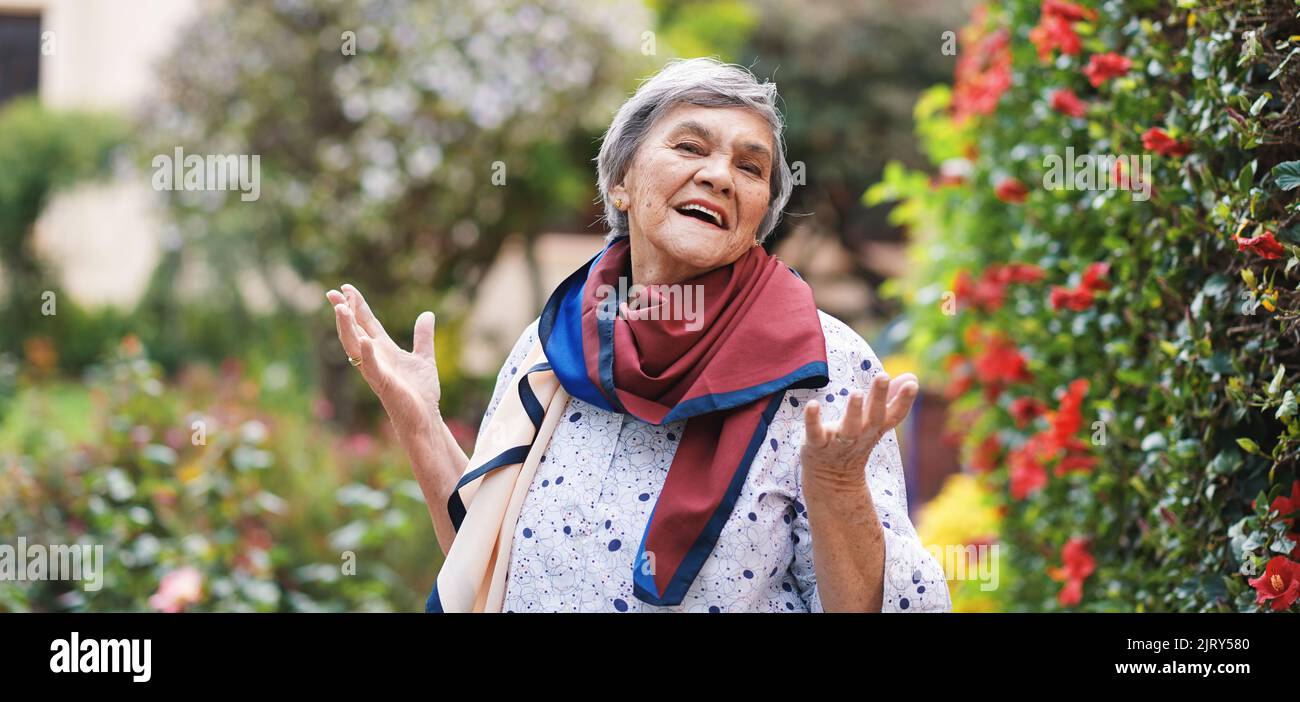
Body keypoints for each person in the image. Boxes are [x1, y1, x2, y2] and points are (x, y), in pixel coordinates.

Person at [326, 57, 951, 612]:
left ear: (759, 215)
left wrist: (838, 489)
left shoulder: (821, 365)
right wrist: (418, 421)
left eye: (749, 166)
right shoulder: (556, 344)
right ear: (621, 183)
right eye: (689, 147)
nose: (720, 176)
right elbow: (483, 562)